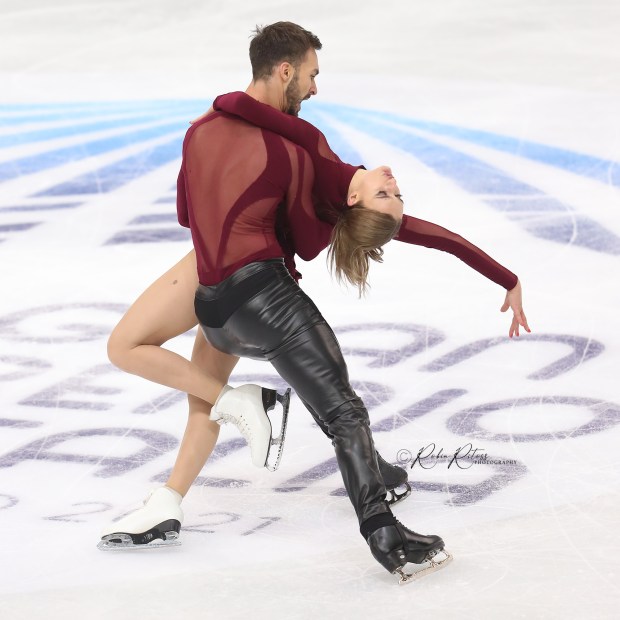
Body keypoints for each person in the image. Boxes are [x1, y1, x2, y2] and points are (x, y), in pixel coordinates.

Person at [100, 21, 528, 583]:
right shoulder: (295, 147)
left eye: (389, 193)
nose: (315, 87)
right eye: (311, 75)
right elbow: (324, 214)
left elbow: (192, 209)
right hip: (250, 294)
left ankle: (192, 488)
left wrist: (218, 121)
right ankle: (185, 490)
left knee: (275, 401)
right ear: (286, 72)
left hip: (217, 291)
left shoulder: (254, 139)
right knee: (321, 406)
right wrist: (507, 278)